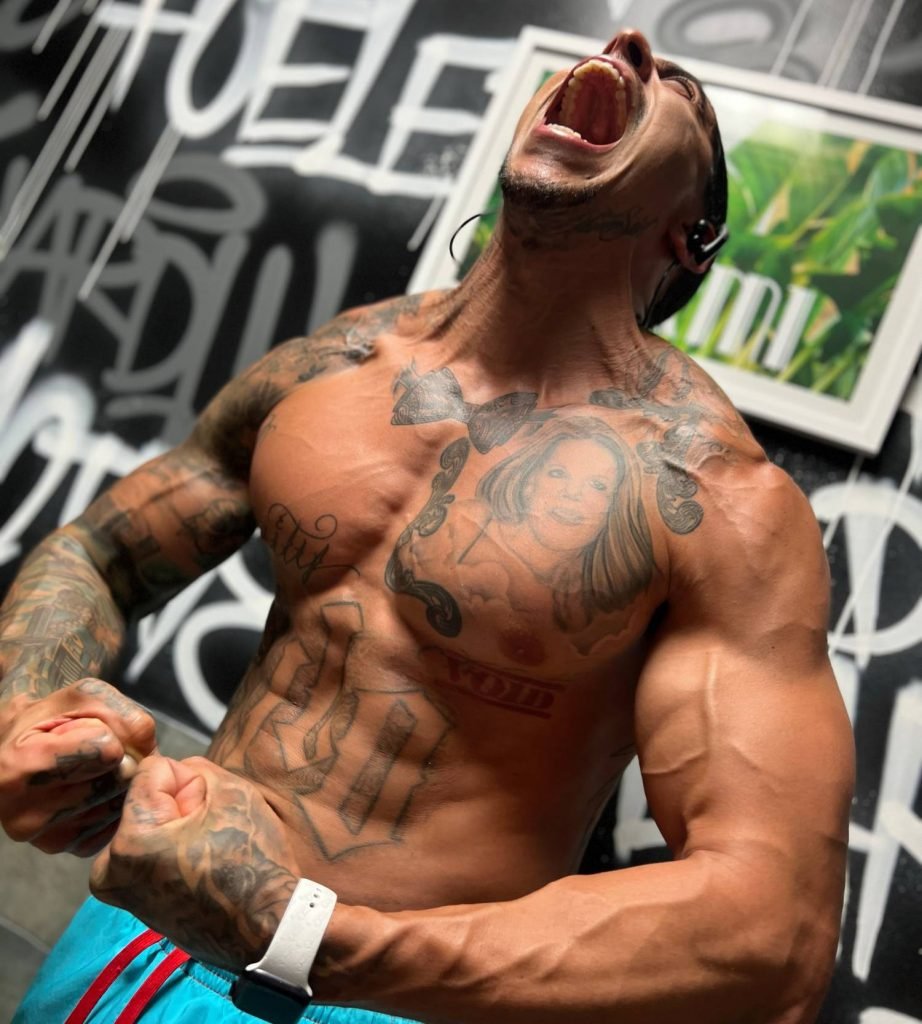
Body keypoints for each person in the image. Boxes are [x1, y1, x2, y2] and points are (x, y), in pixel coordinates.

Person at [1, 26, 853, 1024]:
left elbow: (773, 934)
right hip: (140, 926)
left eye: (678, 88)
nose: (630, 44)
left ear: (690, 235)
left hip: (392, 998)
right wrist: (24, 712)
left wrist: (304, 933)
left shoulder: (713, 497)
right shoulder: (339, 364)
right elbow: (101, 553)